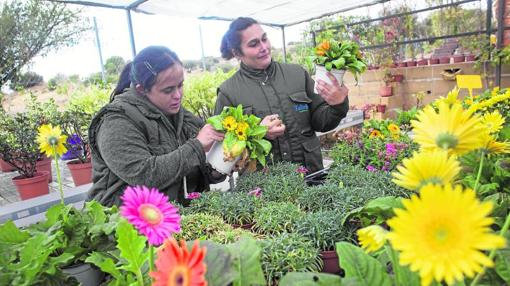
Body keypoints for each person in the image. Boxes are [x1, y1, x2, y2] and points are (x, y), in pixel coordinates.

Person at [88, 46, 225, 206]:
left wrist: (219, 167)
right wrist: (197, 146)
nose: (178, 95)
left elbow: (188, 171)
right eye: (168, 90)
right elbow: (144, 175)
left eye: (180, 85)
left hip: (177, 219)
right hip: (126, 224)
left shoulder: (179, 114)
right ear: (141, 89)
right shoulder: (115, 122)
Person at [215, 17, 350, 173]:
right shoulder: (229, 92)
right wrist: (257, 132)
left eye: (264, 39)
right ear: (237, 53)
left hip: (311, 177)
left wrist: (337, 105)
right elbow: (223, 151)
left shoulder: (297, 74)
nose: (264, 47)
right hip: (264, 188)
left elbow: (322, 123)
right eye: (254, 44)